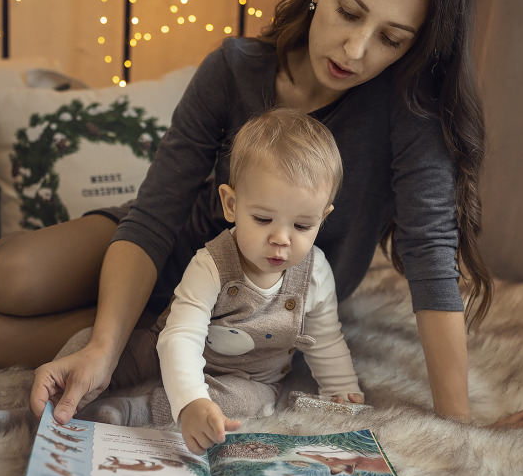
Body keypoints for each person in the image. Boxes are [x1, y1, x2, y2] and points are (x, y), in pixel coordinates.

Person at [0, 0, 523, 430]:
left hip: (253, 301)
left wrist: (461, 420)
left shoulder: (408, 112)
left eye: (391, 38)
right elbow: (157, 212)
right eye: (350, 12)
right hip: (168, 247)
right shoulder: (233, 67)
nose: (356, 50)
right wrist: (103, 352)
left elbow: (429, 257)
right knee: (3, 278)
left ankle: (137, 320)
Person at [90, 108, 363, 453]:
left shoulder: (315, 273)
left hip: (250, 379)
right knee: (109, 348)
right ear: (231, 205)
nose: (281, 239)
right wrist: (190, 398)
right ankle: (60, 396)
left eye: (302, 226)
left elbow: (325, 337)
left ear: (323, 218)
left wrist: (341, 388)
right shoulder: (211, 264)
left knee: (248, 404)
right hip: (176, 349)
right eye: (263, 219)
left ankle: (136, 409)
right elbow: (181, 336)